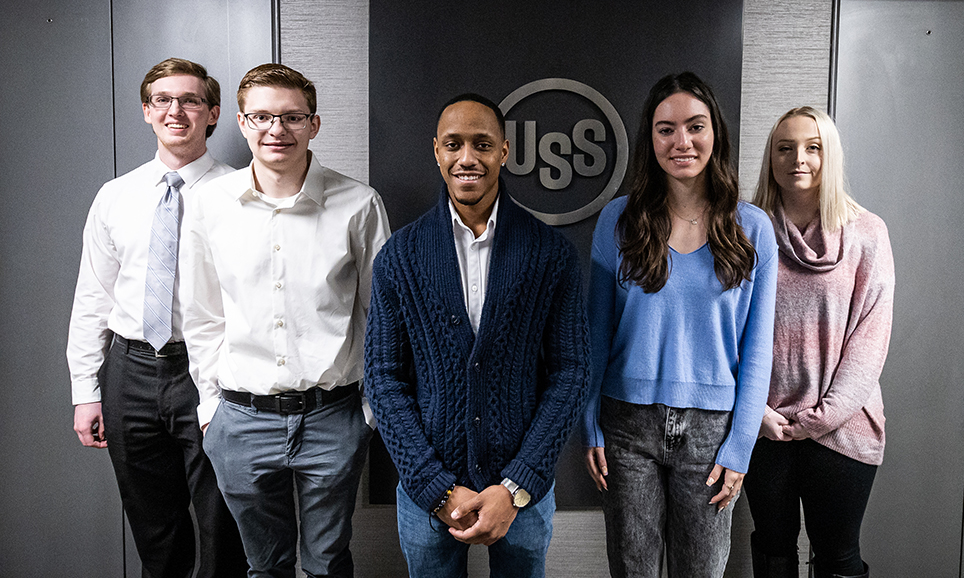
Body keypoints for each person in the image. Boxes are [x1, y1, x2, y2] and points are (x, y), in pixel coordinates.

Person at [364, 93, 590, 577]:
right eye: (454, 144)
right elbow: (383, 379)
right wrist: (435, 488)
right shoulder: (399, 257)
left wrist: (516, 486)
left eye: (482, 144)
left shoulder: (552, 254)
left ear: (504, 152)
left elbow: (571, 373)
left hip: (523, 497)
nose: (468, 157)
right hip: (428, 495)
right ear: (436, 151)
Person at [180, 63, 390, 578]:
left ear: (314, 124)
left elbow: (382, 317)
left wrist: (369, 412)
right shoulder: (208, 205)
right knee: (263, 566)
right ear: (241, 122)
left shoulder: (359, 205)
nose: (278, 130)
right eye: (262, 117)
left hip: (333, 417)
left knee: (326, 564)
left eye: (293, 117)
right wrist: (211, 408)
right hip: (240, 420)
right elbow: (201, 316)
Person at [582, 72, 777, 578]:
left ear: (716, 134)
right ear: (650, 137)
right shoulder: (618, 220)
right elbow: (594, 333)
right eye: (666, 129)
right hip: (626, 427)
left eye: (696, 126)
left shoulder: (752, 227)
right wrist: (589, 422)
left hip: (714, 434)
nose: (682, 142)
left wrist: (740, 447)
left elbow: (758, 350)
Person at [66, 57, 246, 578]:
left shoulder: (240, 193)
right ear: (147, 111)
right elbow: (92, 296)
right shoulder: (115, 196)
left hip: (210, 371)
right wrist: (85, 390)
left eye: (191, 100)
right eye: (163, 100)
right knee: (155, 532)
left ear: (212, 114)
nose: (176, 111)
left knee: (222, 527)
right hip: (129, 374)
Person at [744, 107, 894, 578]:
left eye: (813, 147)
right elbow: (728, 329)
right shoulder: (746, 230)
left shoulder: (866, 232)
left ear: (831, 156)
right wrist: (756, 411)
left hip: (841, 428)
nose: (798, 159)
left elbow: (871, 336)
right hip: (765, 427)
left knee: (838, 557)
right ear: (771, 158)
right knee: (772, 550)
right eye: (784, 148)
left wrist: (825, 416)